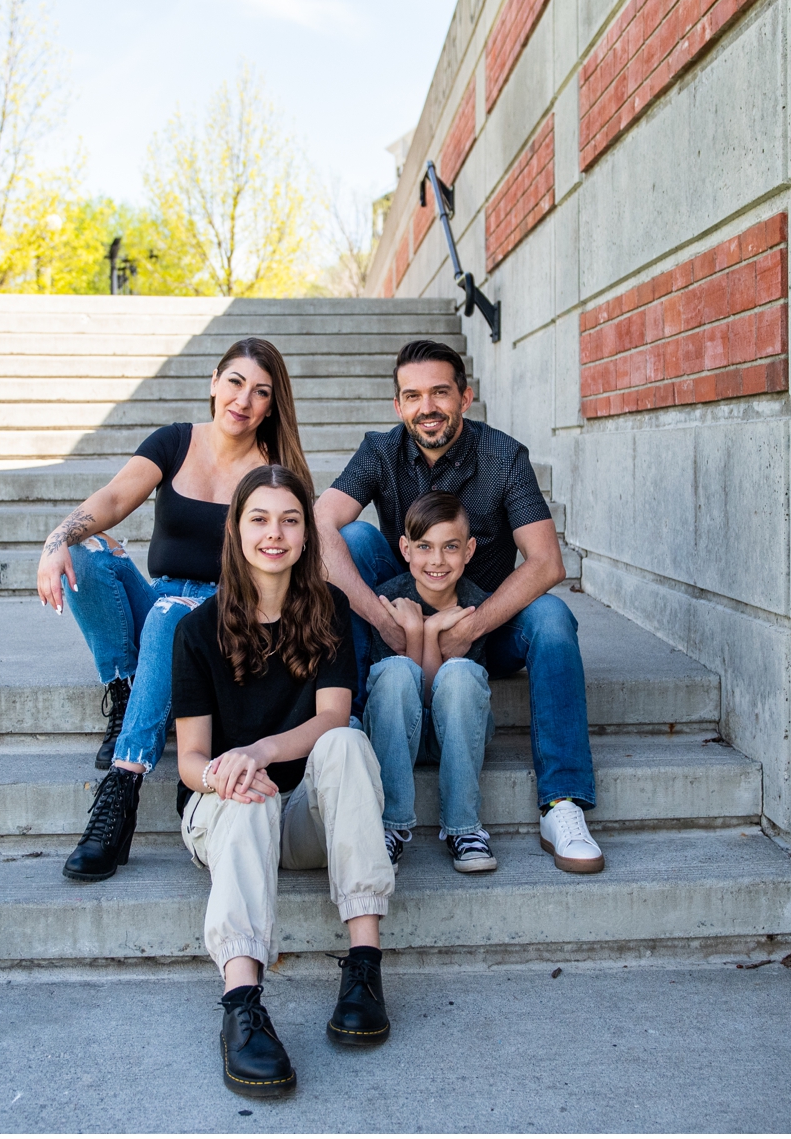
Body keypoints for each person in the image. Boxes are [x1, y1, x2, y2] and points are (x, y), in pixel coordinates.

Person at [315, 339, 604, 874]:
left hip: (486, 622)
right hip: (398, 621)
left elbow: (545, 562)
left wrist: (472, 627)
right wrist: (384, 619)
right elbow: (319, 522)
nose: (427, 407)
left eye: (440, 392)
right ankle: (353, 723)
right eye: (413, 396)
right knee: (349, 538)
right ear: (398, 406)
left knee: (554, 619)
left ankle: (562, 803)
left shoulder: (503, 458)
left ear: (465, 397)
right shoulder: (380, 451)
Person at [36, 338, 311, 883]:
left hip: (228, 620)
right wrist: (55, 541)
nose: (244, 400)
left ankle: (121, 790)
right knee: (91, 554)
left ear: (271, 406)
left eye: (261, 392)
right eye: (235, 383)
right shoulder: (174, 443)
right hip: (163, 601)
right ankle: (126, 691)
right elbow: (113, 501)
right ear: (214, 381)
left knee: (171, 614)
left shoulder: (274, 473)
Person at [171, 464, 394, 1097]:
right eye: (260, 519)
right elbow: (190, 760)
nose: (276, 533)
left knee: (348, 743)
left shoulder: (328, 611)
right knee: (246, 797)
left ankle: (364, 971)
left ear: (306, 534)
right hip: (225, 814)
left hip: (302, 817)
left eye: (291, 520)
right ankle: (241, 1007)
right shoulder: (196, 630)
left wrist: (261, 750)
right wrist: (229, 773)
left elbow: (332, 716)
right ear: (236, 531)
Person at [360, 490, 498, 873]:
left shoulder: (474, 605)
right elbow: (402, 692)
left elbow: (443, 698)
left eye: (450, 547)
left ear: (469, 550)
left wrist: (429, 628)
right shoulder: (387, 599)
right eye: (424, 546)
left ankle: (464, 828)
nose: (437, 561)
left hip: (454, 733)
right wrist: (423, 632)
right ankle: (389, 827)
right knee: (395, 672)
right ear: (405, 548)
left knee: (462, 675)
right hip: (395, 732)